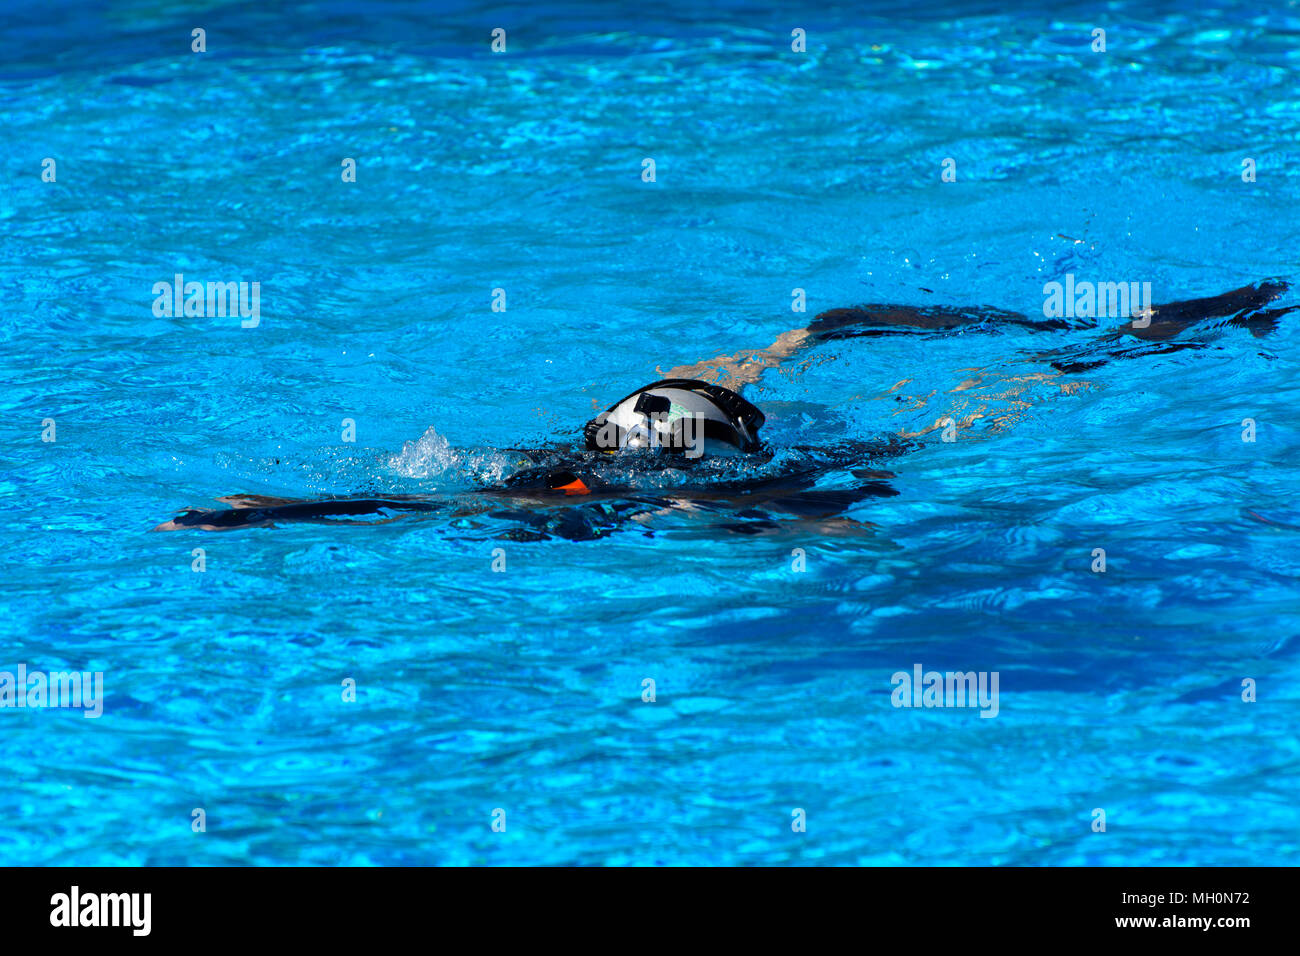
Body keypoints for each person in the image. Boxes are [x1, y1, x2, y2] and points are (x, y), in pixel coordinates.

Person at [156, 279, 1292, 536]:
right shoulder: (585, 470)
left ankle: (1155, 335)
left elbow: (403, 509)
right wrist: (275, 511)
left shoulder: (660, 483)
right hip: (649, 434)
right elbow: (406, 507)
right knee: (949, 385)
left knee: (975, 406)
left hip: (672, 447)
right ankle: (813, 334)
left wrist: (276, 512)